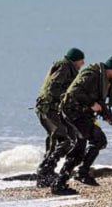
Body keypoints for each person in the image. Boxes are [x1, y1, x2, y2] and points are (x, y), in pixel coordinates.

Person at [54, 55, 112, 195]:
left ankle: (61, 183)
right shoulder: (93, 76)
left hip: (81, 115)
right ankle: (80, 173)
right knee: (98, 140)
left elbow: (99, 103)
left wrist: (107, 116)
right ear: (110, 69)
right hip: (73, 113)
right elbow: (74, 92)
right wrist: (92, 104)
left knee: (81, 149)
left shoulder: (104, 79)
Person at [34, 48, 84, 187]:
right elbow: (54, 88)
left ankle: (46, 173)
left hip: (53, 109)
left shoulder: (67, 68)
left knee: (64, 137)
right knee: (64, 138)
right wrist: (68, 96)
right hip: (48, 109)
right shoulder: (64, 67)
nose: (83, 64)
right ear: (76, 61)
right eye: (81, 61)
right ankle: (45, 170)